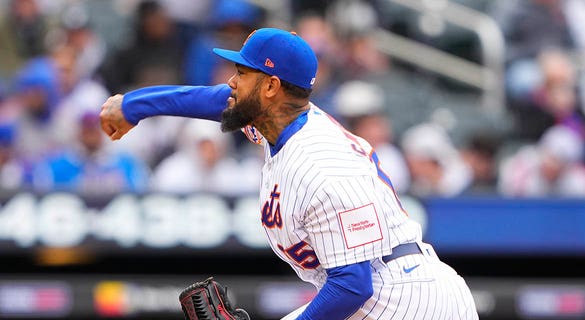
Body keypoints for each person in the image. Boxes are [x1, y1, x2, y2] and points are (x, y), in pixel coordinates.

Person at [100, 27, 477, 319]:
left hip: (409, 301)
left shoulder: (322, 165)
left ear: (270, 86)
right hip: (378, 294)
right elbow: (220, 101)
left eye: (241, 73)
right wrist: (135, 105)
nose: (231, 81)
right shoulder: (277, 120)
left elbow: (352, 285)